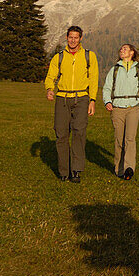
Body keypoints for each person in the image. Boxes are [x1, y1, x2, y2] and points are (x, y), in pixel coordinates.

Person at [44, 26, 98, 183]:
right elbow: (50, 76)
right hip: (62, 99)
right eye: (70, 37)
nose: (73, 40)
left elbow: (93, 79)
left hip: (81, 98)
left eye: (76, 37)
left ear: (81, 38)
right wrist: (49, 89)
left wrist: (92, 100)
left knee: (79, 134)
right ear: (66, 38)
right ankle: (63, 171)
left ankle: (76, 170)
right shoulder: (58, 57)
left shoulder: (89, 56)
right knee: (61, 135)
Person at [102, 43, 139, 180]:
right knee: (119, 140)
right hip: (117, 107)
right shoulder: (115, 69)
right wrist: (107, 101)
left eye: (125, 48)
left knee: (130, 138)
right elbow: (106, 88)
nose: (122, 50)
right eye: (121, 49)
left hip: (133, 107)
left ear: (132, 53)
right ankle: (119, 169)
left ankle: (129, 168)